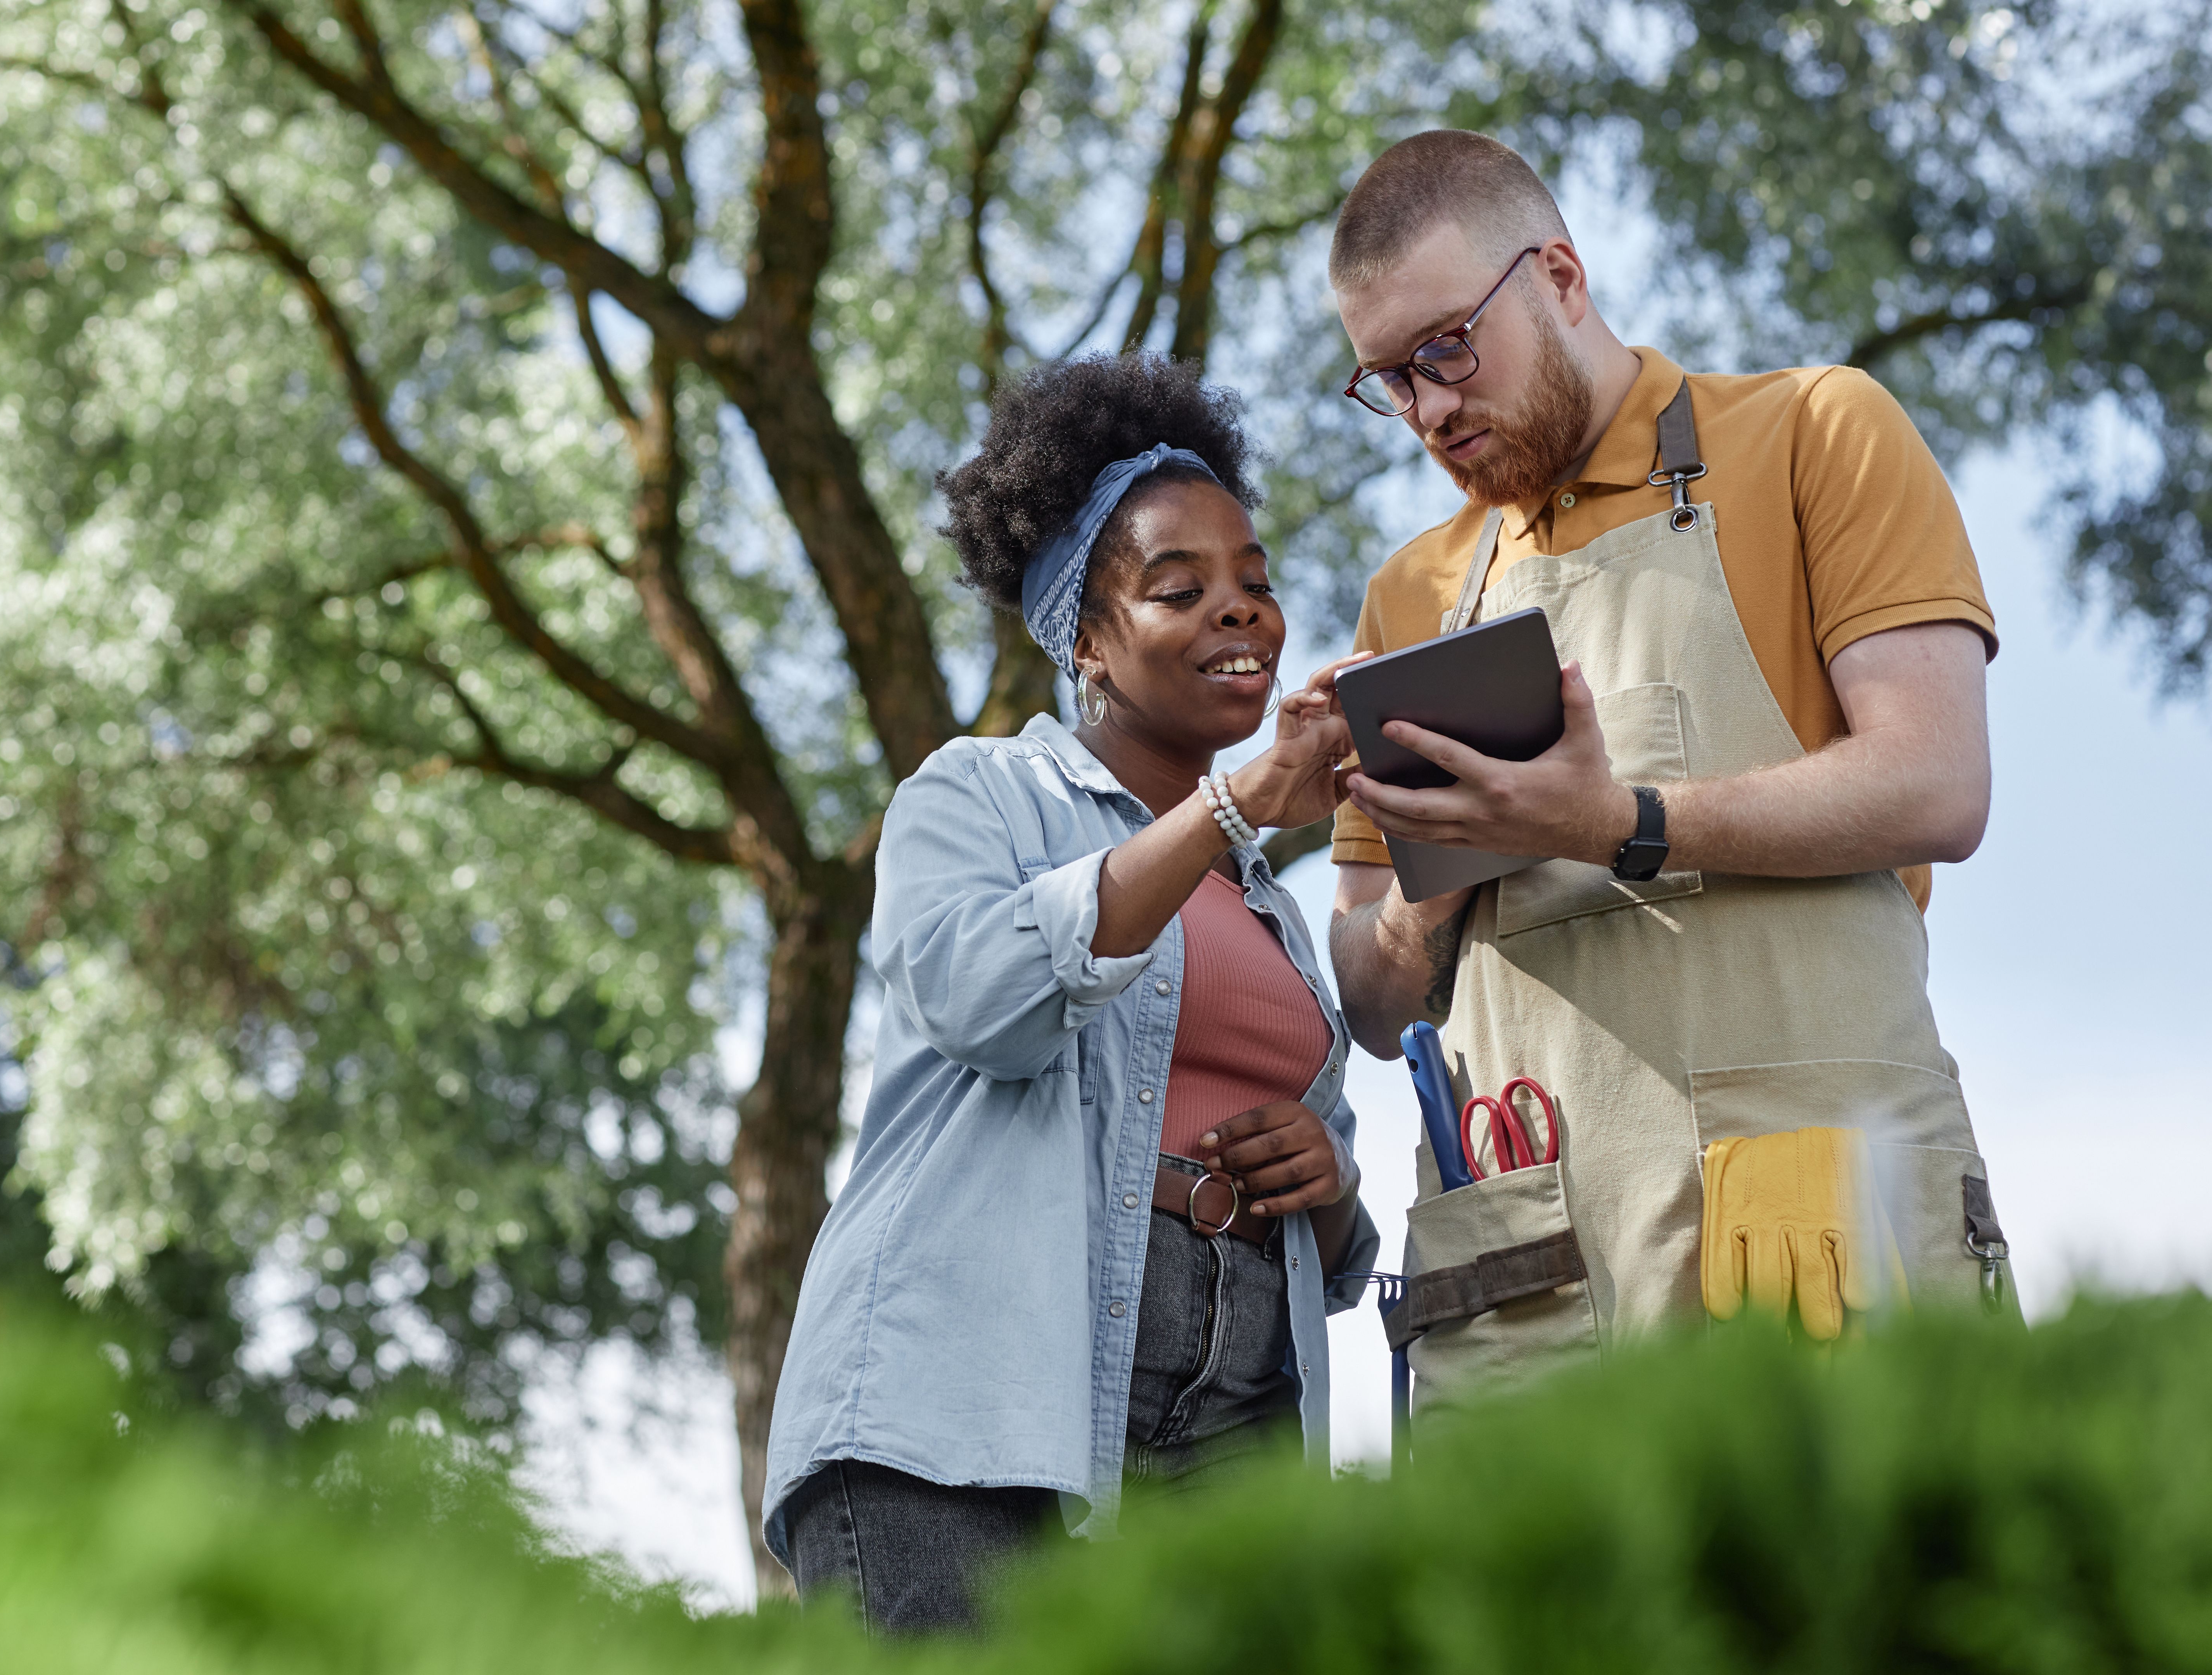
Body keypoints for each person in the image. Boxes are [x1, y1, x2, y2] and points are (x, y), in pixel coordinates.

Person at [1321, 131, 2018, 1408]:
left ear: (1562, 277)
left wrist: (1613, 819)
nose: (1428, 411)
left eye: (1446, 351)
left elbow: (1935, 782)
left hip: (1818, 1239)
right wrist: (1441, 877)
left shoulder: (1816, 431)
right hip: (1527, 1298)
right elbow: (1371, 1005)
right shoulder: (1412, 595)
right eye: (1388, 382)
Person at [759, 354, 1382, 1634]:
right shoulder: (974, 797)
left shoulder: (1268, 904)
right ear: (1085, 639)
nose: (1243, 614)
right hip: (972, 1421)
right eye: (1181, 589)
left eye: (1256, 586)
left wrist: (1332, 1179)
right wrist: (1238, 801)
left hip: (1235, 1426)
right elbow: (986, 995)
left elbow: (1333, 1232)